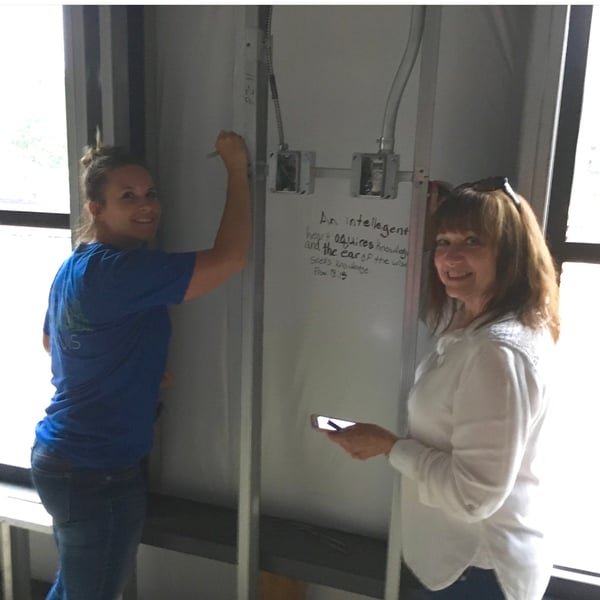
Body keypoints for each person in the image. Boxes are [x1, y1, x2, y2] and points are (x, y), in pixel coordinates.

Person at [31, 130, 251, 600]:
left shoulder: (79, 264)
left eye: (150, 194)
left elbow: (53, 342)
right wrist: (236, 169)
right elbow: (230, 258)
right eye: (126, 197)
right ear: (96, 209)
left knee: (75, 587)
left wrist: (133, 372)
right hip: (96, 471)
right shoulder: (120, 271)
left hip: (67, 460)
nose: (145, 205)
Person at [326, 177, 560, 600]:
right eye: (444, 240)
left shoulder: (495, 354)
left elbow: (474, 497)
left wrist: (388, 447)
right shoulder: (480, 326)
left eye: (472, 240)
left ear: (510, 252)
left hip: (477, 572)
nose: (450, 256)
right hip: (470, 565)